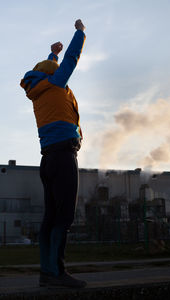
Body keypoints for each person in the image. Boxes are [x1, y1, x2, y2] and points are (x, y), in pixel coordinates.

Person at [20, 19, 86, 288]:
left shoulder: (37, 90)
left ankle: (46, 272)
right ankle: (57, 273)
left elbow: (49, 69)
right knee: (64, 216)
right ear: (52, 74)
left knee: (50, 216)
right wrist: (80, 33)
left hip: (47, 159)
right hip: (63, 156)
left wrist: (51, 55)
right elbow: (71, 59)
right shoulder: (57, 83)